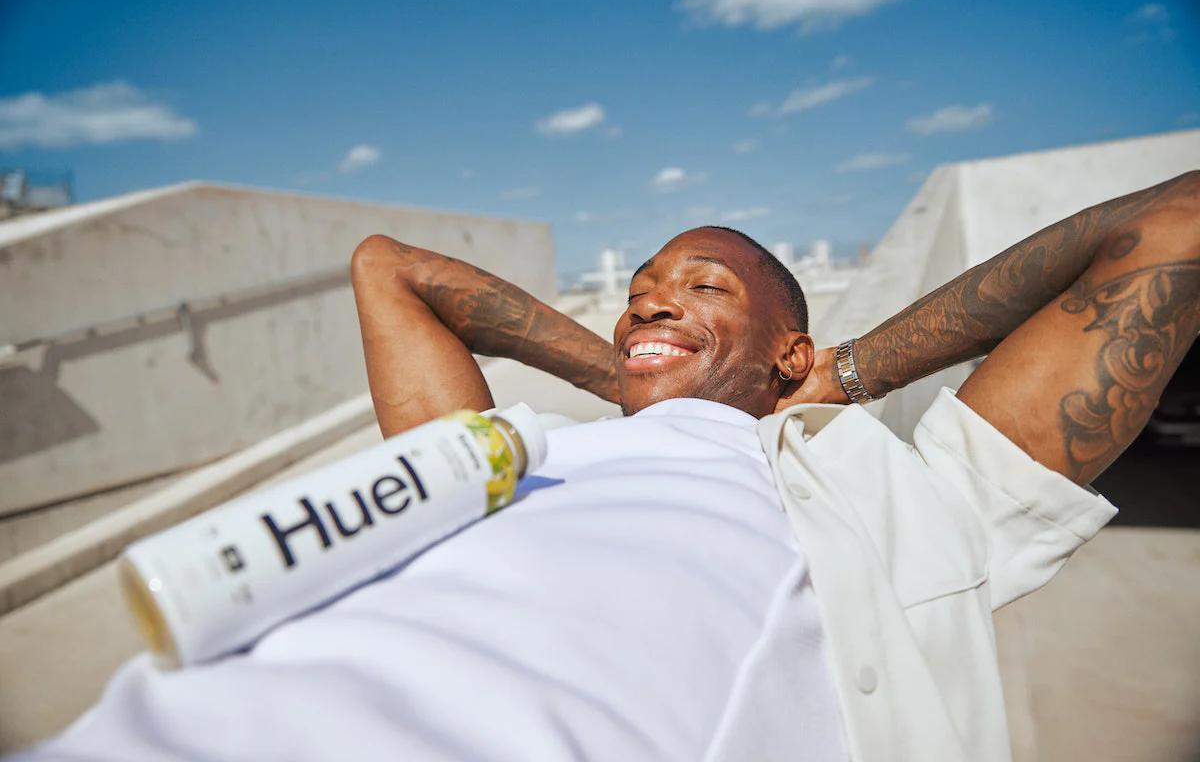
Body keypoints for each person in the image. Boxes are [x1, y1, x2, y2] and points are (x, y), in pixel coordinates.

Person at [22, 172, 1198, 762]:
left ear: (785, 344)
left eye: (702, 286)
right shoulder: (513, 456)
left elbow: (1176, 221)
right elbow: (390, 267)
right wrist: (633, 369)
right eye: (642, 284)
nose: (651, 294)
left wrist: (839, 370)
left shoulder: (899, 495)